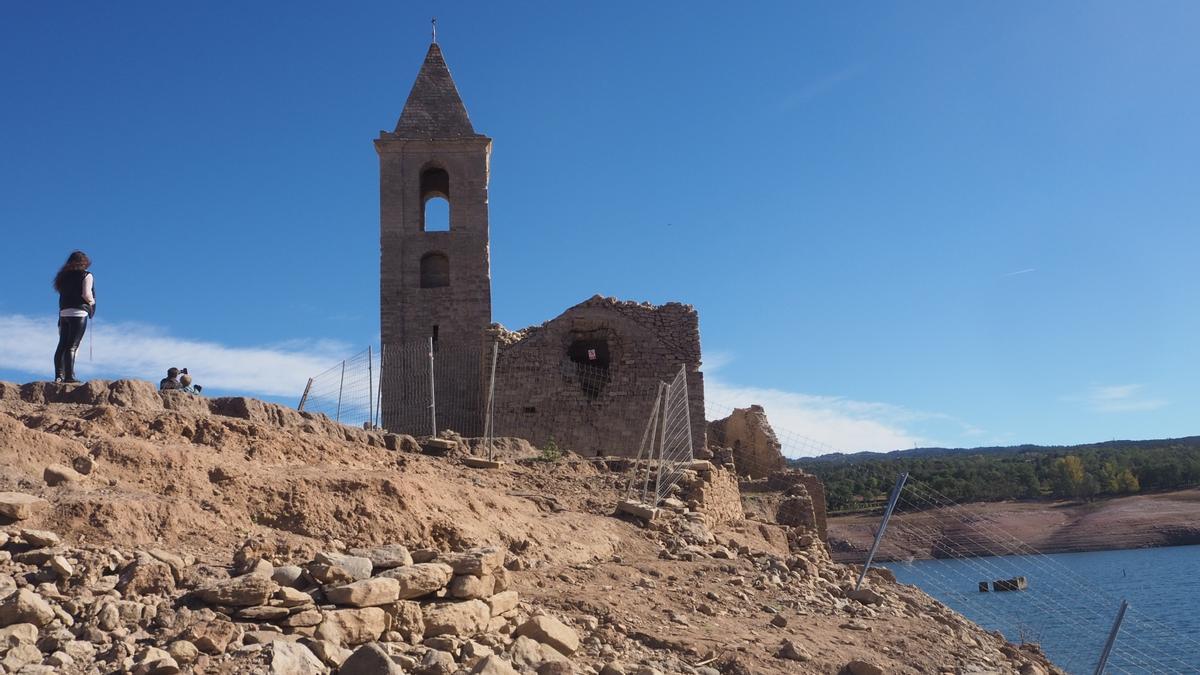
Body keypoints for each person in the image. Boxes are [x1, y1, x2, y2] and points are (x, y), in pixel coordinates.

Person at [53, 251, 95, 384]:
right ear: (84, 263)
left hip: (64, 313)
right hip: (78, 312)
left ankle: (59, 376)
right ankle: (70, 376)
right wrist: (92, 302)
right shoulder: (86, 275)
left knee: (62, 345)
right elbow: (86, 294)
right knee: (72, 346)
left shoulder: (62, 277)